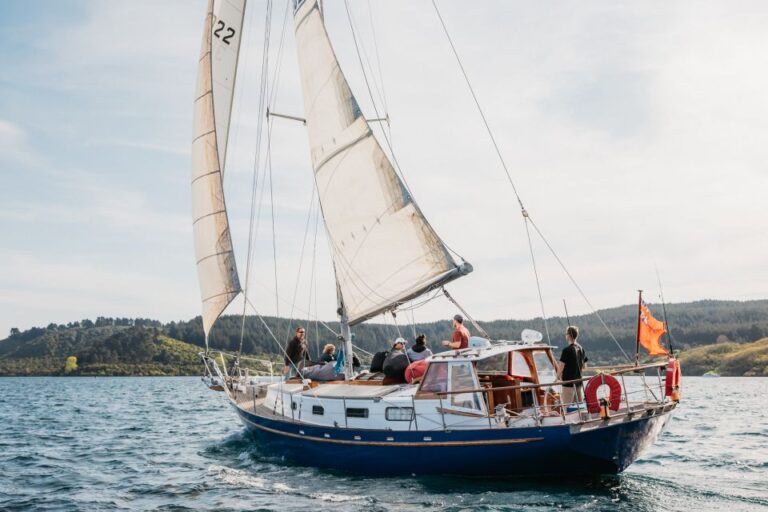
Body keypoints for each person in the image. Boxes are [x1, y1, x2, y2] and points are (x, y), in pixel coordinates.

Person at [556, 325, 588, 404]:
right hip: (578, 382)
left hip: (568, 384)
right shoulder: (581, 349)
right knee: (579, 406)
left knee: (567, 406)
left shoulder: (566, 350)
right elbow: (584, 367)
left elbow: (561, 366)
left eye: (566, 334)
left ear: (569, 336)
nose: (565, 335)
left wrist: (557, 377)